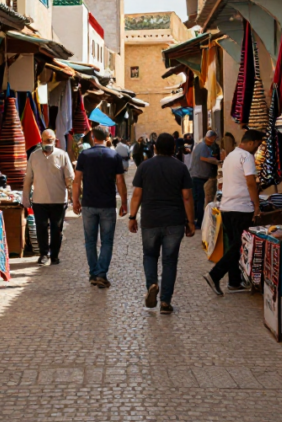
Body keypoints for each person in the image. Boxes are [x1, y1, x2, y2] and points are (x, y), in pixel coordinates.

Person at [128, 132, 196, 315]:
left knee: (149, 256)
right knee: (170, 261)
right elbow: (187, 197)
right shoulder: (181, 168)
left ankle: (151, 284)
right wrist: (191, 222)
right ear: (174, 149)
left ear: (155, 148)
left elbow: (136, 195)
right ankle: (165, 301)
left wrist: (132, 217)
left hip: (150, 220)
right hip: (174, 221)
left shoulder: (145, 166)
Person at [203, 129, 265, 295]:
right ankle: (215, 275)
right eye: (257, 145)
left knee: (233, 245)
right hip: (241, 208)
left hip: (227, 207)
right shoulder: (247, 157)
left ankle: (234, 281)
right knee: (239, 245)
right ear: (251, 142)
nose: (257, 149)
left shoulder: (230, 156)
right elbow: (251, 183)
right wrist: (257, 205)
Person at [73, 125, 127, 288]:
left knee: (90, 241)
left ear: (92, 137)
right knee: (107, 241)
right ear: (108, 138)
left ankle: (93, 273)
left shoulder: (84, 155)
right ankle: (101, 274)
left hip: (89, 203)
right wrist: (124, 202)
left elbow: (77, 180)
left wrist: (75, 200)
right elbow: (120, 181)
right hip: (107, 204)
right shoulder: (114, 156)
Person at [22, 129, 75, 266]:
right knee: (41, 228)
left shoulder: (62, 155)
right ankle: (43, 254)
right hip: (39, 200)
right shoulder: (34, 156)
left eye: (50, 141)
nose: (48, 143)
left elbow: (70, 178)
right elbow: (28, 178)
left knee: (56, 229)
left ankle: (55, 255)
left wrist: (73, 196)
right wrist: (26, 198)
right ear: (41, 140)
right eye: (46, 140)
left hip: (58, 200)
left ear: (55, 141)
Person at [189, 130, 220, 228]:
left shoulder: (201, 145)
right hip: (198, 176)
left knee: (197, 199)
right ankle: (198, 222)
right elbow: (204, 158)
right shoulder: (203, 146)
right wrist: (217, 161)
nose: (214, 141)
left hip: (198, 176)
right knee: (199, 200)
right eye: (214, 139)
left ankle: (194, 220)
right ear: (210, 138)